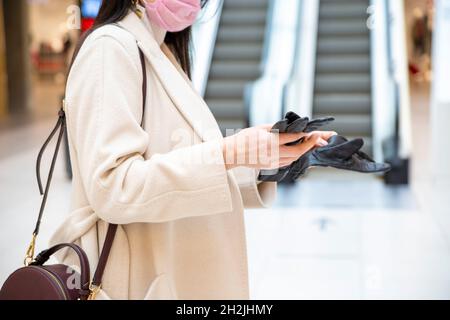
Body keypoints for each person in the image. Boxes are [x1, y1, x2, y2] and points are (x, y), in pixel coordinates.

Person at [50, 0, 336, 300]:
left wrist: (269, 160)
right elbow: (114, 185)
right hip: (138, 277)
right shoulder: (110, 48)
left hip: (172, 264)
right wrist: (230, 151)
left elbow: (182, 159)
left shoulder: (161, 50)